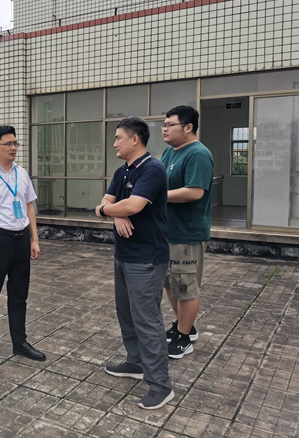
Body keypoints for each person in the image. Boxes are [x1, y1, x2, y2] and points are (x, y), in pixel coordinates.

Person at [96, 117, 173, 410]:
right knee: (126, 314)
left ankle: (161, 385)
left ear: (134, 139)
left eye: (118, 137)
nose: (115, 143)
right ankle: (136, 362)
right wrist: (115, 214)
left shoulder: (152, 169)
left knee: (147, 320)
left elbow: (134, 205)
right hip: (123, 255)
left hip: (146, 258)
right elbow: (106, 201)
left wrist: (108, 210)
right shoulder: (122, 171)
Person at [0, 125, 45, 366]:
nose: (13, 148)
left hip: (21, 240)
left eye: (15, 143)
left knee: (19, 294)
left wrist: (34, 239)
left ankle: (19, 342)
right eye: (8, 144)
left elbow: (29, 207)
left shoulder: (22, 174)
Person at [161, 106, 213, 359]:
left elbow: (194, 192)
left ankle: (183, 339)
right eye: (163, 125)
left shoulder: (198, 154)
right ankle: (185, 327)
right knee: (171, 283)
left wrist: (156, 196)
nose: (164, 129)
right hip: (167, 232)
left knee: (185, 286)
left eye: (169, 125)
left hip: (186, 234)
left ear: (188, 127)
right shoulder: (170, 152)